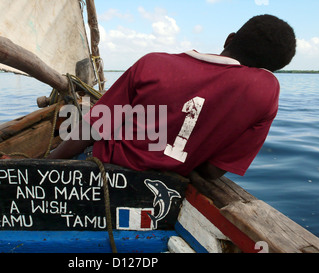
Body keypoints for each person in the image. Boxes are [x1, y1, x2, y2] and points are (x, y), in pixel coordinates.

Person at [47, 14, 296, 181]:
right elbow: (212, 172)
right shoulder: (266, 92)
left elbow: (94, 126)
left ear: (229, 39)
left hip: (102, 165)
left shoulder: (153, 62)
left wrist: (46, 163)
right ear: (270, 69)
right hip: (169, 184)